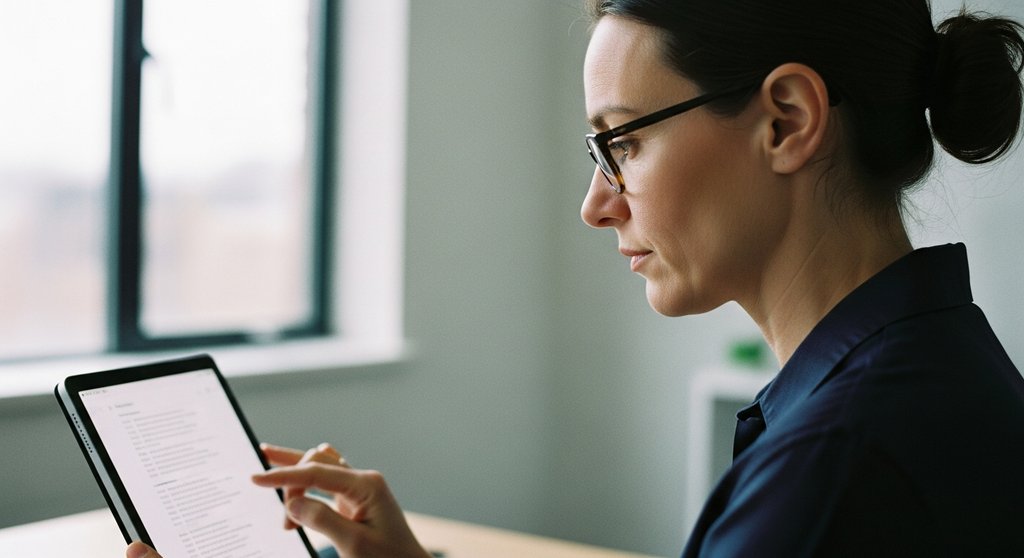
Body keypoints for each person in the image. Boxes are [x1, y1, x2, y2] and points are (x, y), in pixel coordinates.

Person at [127, 0, 1024, 556]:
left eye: (622, 142)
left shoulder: (833, 470)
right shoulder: (934, 367)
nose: (597, 204)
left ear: (787, 120)